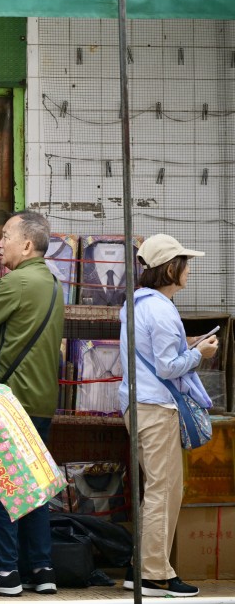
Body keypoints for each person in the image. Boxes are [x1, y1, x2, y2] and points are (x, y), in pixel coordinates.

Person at [0, 211, 65, 596]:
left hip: (12, 401)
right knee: (34, 488)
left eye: (5, 236)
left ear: (27, 244)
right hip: (42, 401)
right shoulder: (53, 282)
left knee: (1, 486)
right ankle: (42, 568)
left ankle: (3, 573)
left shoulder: (17, 281)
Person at [118, 234, 218, 598]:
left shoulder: (137, 303)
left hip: (140, 404)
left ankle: (141, 567)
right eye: (185, 263)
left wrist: (189, 346)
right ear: (172, 268)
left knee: (158, 489)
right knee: (164, 491)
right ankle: (155, 574)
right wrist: (200, 354)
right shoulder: (160, 308)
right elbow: (167, 366)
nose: (189, 270)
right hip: (156, 407)